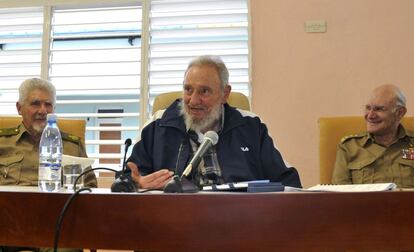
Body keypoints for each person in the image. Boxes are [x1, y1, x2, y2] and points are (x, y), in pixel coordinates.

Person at [127, 55, 302, 189]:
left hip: (240, 221)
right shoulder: (158, 124)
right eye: (188, 89)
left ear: (225, 94)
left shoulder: (251, 126)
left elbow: (288, 182)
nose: (193, 100)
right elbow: (128, 178)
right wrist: (139, 183)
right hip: (175, 221)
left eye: (204, 91)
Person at [0, 78, 97, 252]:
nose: (43, 110)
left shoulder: (72, 145)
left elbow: (89, 189)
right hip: (7, 225)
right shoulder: (2, 142)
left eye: (48, 105)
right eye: (35, 104)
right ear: (19, 108)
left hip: (55, 227)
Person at [332, 84, 414, 188]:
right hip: (363, 204)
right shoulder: (349, 147)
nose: (370, 115)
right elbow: (339, 195)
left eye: (379, 109)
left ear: (399, 113)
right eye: (368, 108)